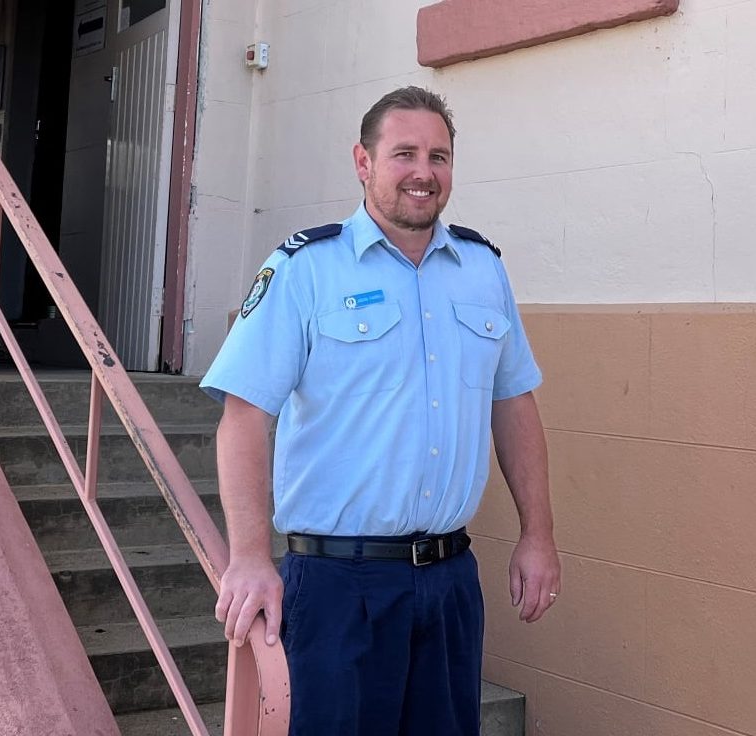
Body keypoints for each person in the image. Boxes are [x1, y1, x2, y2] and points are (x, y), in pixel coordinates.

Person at [200, 86, 560, 735]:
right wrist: (249, 554)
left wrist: (538, 534)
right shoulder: (305, 269)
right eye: (404, 154)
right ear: (363, 163)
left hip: (450, 582)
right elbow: (245, 412)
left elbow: (513, 402)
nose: (424, 172)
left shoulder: (482, 269)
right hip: (340, 584)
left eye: (439, 156)